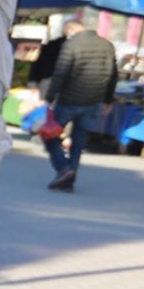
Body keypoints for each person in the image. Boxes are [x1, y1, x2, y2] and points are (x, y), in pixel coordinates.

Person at [44, 19, 119, 193]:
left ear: (71, 30)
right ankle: (69, 180)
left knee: (49, 135)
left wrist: (49, 97)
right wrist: (108, 100)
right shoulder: (107, 45)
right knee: (78, 142)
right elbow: (113, 74)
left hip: (69, 100)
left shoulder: (71, 45)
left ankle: (63, 169)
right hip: (93, 101)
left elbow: (60, 73)